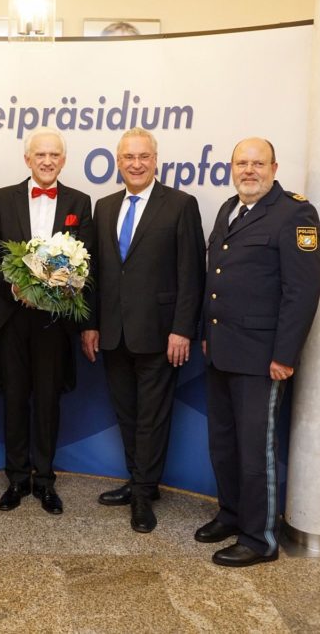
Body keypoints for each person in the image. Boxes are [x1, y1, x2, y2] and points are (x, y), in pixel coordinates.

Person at [197, 137, 320, 567]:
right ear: (231, 167)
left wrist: (284, 354)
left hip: (262, 356)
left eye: (257, 163)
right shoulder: (229, 209)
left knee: (256, 450)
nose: (248, 171)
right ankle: (231, 515)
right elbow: (215, 277)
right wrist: (205, 333)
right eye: (241, 163)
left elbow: (301, 291)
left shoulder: (295, 213)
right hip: (222, 350)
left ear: (274, 166)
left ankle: (260, 538)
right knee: (224, 444)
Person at [81, 127, 206, 533]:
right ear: (118, 163)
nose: (136, 164)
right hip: (114, 333)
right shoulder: (104, 206)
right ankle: (140, 482)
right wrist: (92, 325)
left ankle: (142, 495)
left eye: (143, 157)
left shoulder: (181, 205)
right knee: (128, 413)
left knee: (152, 417)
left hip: (160, 334)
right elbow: (98, 273)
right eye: (128, 157)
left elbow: (192, 274)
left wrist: (182, 329)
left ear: (156, 160)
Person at [0, 128, 94, 515]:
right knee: (14, 399)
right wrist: (13, 287)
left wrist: (61, 287)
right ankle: (16, 479)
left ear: (63, 160)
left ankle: (44, 480)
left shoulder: (81, 201)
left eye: (54, 155)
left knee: (48, 400)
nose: (47, 161)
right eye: (40, 155)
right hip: (12, 318)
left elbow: (88, 263)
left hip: (55, 322)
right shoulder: (1, 198)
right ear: (27, 159)